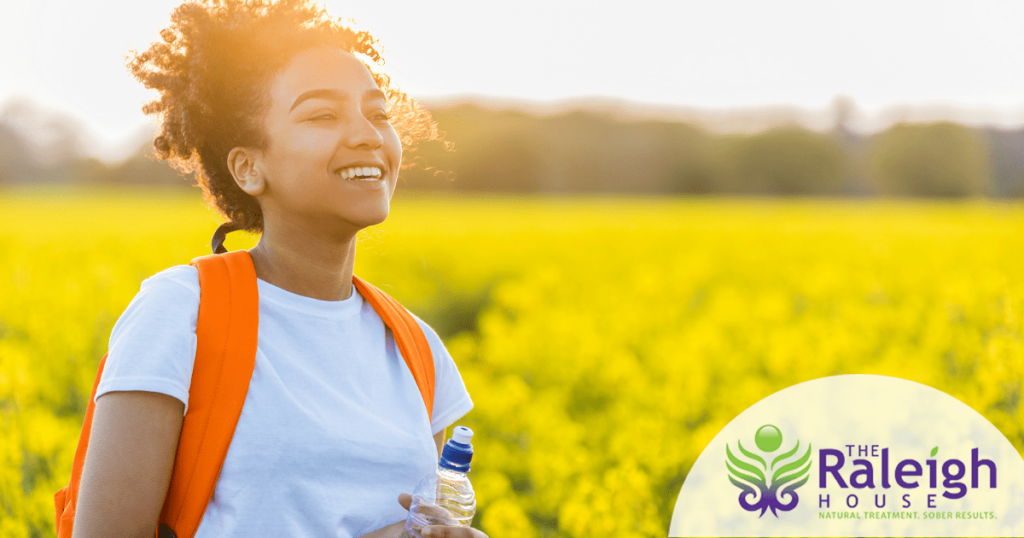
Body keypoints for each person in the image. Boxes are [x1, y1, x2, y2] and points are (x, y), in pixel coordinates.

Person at [72, 1, 485, 536]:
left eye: (378, 114)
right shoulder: (183, 312)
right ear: (248, 167)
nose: (367, 135)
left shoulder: (417, 348)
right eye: (322, 115)